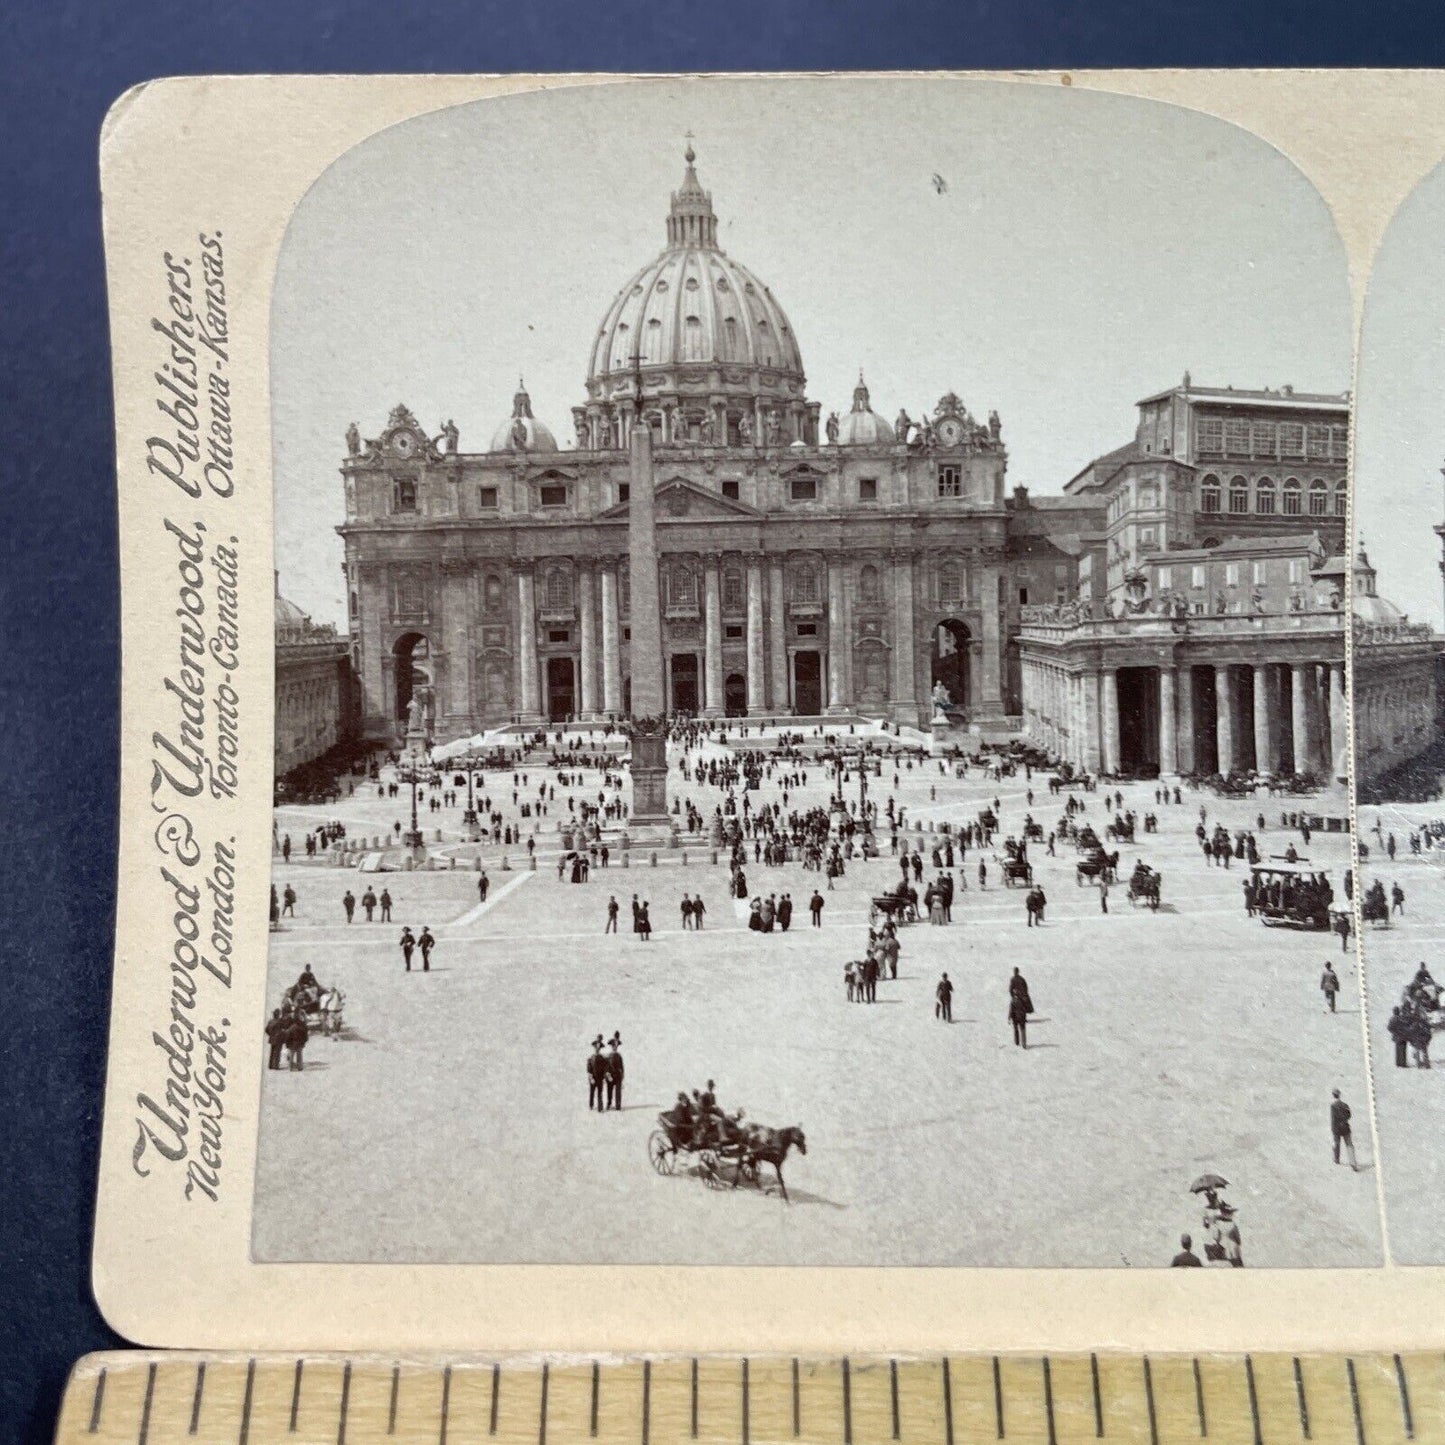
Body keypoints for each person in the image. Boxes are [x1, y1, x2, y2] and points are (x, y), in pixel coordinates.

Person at [1330, 1089, 1358, 1170]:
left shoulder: (1333, 1106)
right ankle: (1353, 1163)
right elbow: (1349, 1115)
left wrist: (1333, 1128)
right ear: (1339, 1095)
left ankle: (1336, 1159)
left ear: (1333, 1095)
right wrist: (1344, 1120)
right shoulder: (1345, 1105)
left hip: (1336, 1129)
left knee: (1336, 1143)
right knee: (1349, 1144)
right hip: (1345, 1127)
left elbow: (1333, 1118)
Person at [587, 1035, 607, 1111]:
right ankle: (591, 1105)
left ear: (600, 1048)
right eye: (596, 1047)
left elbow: (605, 1069)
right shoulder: (591, 1058)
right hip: (593, 1077)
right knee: (592, 1092)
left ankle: (600, 1107)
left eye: (599, 1047)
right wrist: (591, 1077)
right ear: (594, 1047)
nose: (597, 1049)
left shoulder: (602, 1058)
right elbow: (589, 1069)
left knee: (600, 1093)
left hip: (600, 1078)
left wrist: (604, 1077)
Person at [605, 1033, 624, 1110]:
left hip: (618, 1076)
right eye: (613, 1046)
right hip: (610, 1076)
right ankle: (609, 1104)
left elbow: (622, 1067)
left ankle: (618, 1105)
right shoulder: (609, 1056)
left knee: (618, 1091)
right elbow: (606, 1067)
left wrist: (622, 1076)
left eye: (616, 1046)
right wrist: (608, 1075)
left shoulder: (619, 1056)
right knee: (609, 1090)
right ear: (611, 1046)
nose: (615, 1047)